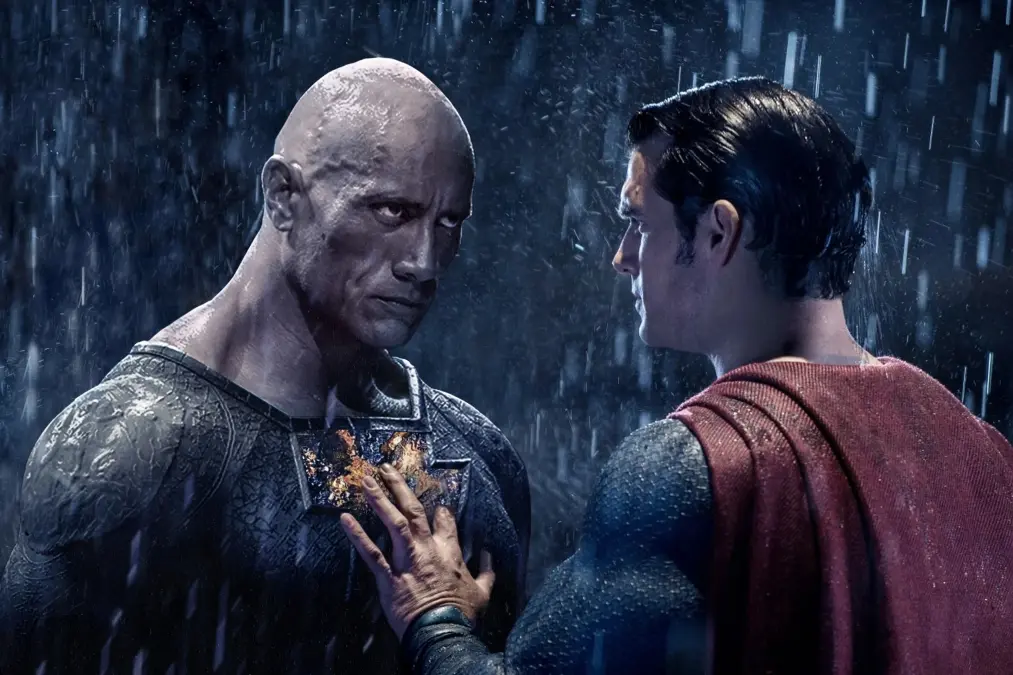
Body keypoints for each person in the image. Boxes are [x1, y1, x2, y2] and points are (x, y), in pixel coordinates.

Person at [341, 76, 1013, 674]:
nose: (622, 257)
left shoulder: (697, 466)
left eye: (639, 224)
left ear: (719, 233)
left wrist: (433, 614)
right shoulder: (983, 451)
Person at [0, 58, 530, 674]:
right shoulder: (129, 447)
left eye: (449, 222)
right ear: (284, 196)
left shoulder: (479, 452)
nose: (425, 261)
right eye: (392, 212)